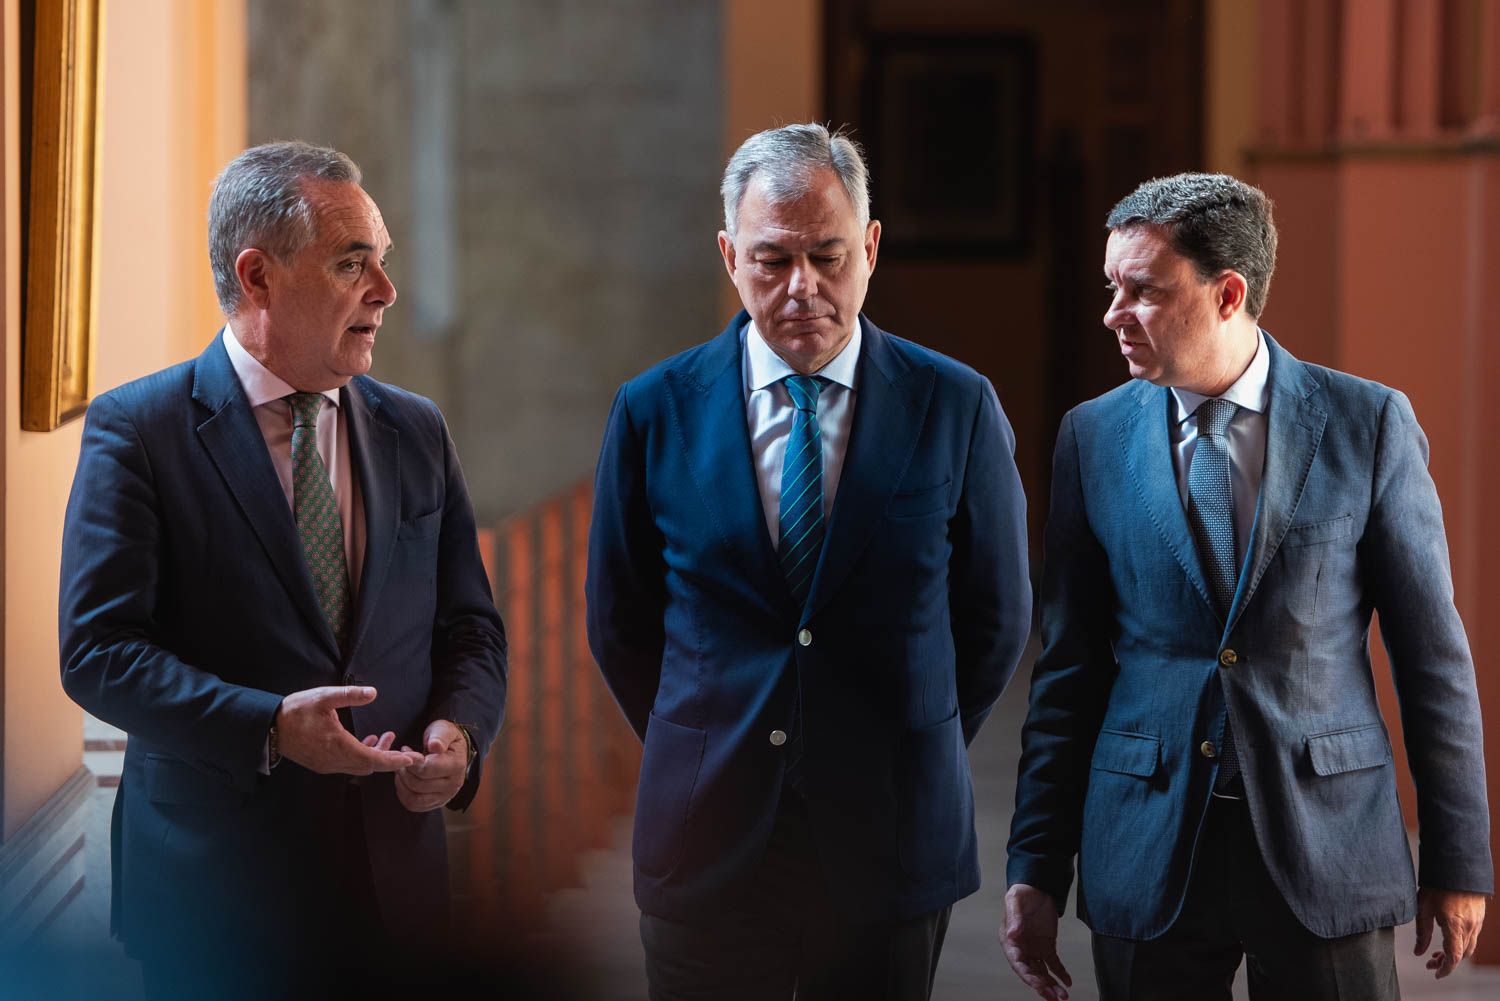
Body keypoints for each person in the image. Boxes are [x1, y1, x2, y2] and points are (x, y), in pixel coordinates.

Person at [1003, 173, 1491, 1000]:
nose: (1112, 314)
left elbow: (1433, 659)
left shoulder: (1368, 423)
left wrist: (1459, 856)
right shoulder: (1092, 436)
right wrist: (1035, 864)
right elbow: (1069, 671)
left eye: (1142, 291)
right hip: (1147, 843)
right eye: (1109, 288)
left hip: (1328, 845)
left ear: (1228, 293)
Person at [585, 122, 1031, 1000]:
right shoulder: (652, 411)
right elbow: (620, 621)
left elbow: (996, 618)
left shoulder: (955, 405)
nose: (802, 289)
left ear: (869, 247)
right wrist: (716, 741)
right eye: (772, 259)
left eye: (827, 257)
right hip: (705, 832)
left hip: (890, 835)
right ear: (728, 255)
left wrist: (903, 740)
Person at [58, 141, 507, 997]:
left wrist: (460, 732)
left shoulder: (417, 429)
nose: (386, 292)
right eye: (352, 264)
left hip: (395, 892)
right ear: (257, 277)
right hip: (215, 898)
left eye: (383, 263)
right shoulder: (138, 430)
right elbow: (98, 651)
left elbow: (470, 628)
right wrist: (268, 725)